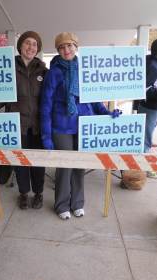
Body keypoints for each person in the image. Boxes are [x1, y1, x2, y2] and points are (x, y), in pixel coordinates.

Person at [40, 32, 121, 220]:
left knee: (80, 166)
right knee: (65, 166)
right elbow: (45, 105)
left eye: (69, 46)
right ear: (58, 50)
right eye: (61, 47)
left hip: (84, 125)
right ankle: (61, 205)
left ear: (76, 47)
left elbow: (93, 98)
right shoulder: (54, 72)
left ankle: (77, 203)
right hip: (61, 126)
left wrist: (107, 113)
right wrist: (46, 136)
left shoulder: (85, 69)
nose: (66, 50)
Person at [0, 31, 47, 209]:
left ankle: (38, 193)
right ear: (20, 46)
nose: (31, 47)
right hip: (17, 125)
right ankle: (23, 193)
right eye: (27, 43)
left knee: (38, 162)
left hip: (38, 126)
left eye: (34, 44)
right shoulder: (8, 68)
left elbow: (51, 98)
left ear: (38, 49)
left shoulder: (44, 71)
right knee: (21, 162)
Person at [138, 39, 157, 178]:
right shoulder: (150, 64)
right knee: (144, 139)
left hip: (151, 106)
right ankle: (143, 168)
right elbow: (143, 89)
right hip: (150, 107)